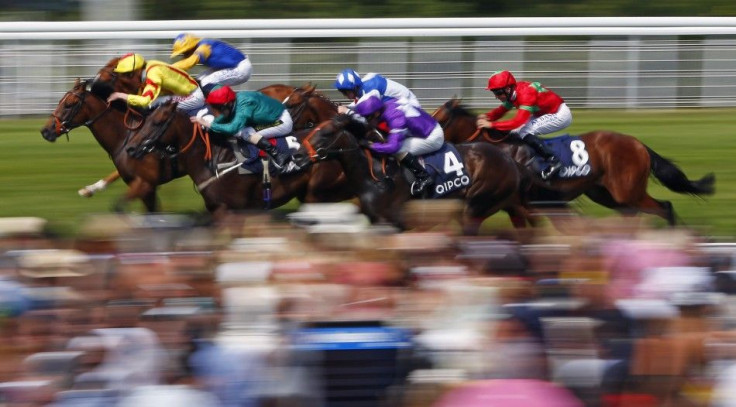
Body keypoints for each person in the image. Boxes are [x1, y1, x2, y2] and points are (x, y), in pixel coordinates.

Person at [476, 70, 571, 180]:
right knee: (515, 132)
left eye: (498, 93)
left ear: (507, 89)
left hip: (559, 114)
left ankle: (554, 161)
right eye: (494, 93)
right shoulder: (513, 92)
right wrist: (487, 116)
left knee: (525, 131)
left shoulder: (525, 94)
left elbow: (517, 121)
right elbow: (501, 110)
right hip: (544, 112)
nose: (497, 97)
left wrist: (491, 125)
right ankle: (527, 158)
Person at [353, 94, 443, 196]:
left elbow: (393, 147)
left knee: (397, 150)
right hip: (426, 128)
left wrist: (371, 145)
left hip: (433, 137)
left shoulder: (395, 117)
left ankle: (424, 177)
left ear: (377, 113)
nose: (367, 121)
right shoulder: (386, 106)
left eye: (368, 118)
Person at [189, 85, 292, 170]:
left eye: (217, 107)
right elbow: (224, 116)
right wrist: (212, 123)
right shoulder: (235, 100)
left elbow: (233, 129)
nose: (215, 110)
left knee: (245, 132)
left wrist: (210, 124)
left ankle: (278, 154)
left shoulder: (244, 105)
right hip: (271, 117)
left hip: (282, 120)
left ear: (226, 104)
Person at [106, 53, 205, 113]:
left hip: (193, 97)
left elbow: (145, 101)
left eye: (129, 75)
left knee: (153, 105)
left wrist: (120, 95)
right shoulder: (148, 66)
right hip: (182, 94)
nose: (128, 78)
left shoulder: (153, 73)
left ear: (138, 70)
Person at [170, 33, 253, 95]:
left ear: (191, 47)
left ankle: (222, 107)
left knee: (206, 82)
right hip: (230, 66)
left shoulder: (204, 47)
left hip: (241, 68)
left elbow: (189, 62)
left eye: (185, 52)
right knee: (197, 81)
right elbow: (184, 62)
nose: (184, 55)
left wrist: (165, 68)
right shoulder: (198, 46)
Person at [333, 68, 421, 115]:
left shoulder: (371, 92)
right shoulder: (363, 84)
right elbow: (359, 102)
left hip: (410, 107)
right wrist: (347, 107)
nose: (345, 96)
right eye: (343, 92)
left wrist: (347, 111)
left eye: (346, 92)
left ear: (355, 87)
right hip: (403, 101)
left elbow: (363, 118)